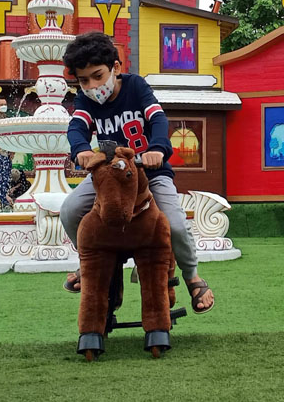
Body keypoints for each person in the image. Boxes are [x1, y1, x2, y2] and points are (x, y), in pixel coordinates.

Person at [58, 32, 214, 314]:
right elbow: (77, 127)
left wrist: (158, 147)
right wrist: (80, 148)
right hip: (109, 178)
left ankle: (193, 277)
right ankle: (88, 264)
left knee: (176, 224)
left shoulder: (136, 86)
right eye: (83, 80)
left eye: (97, 76)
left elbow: (157, 117)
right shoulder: (84, 99)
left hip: (150, 172)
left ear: (116, 68)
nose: (92, 86)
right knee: (70, 210)